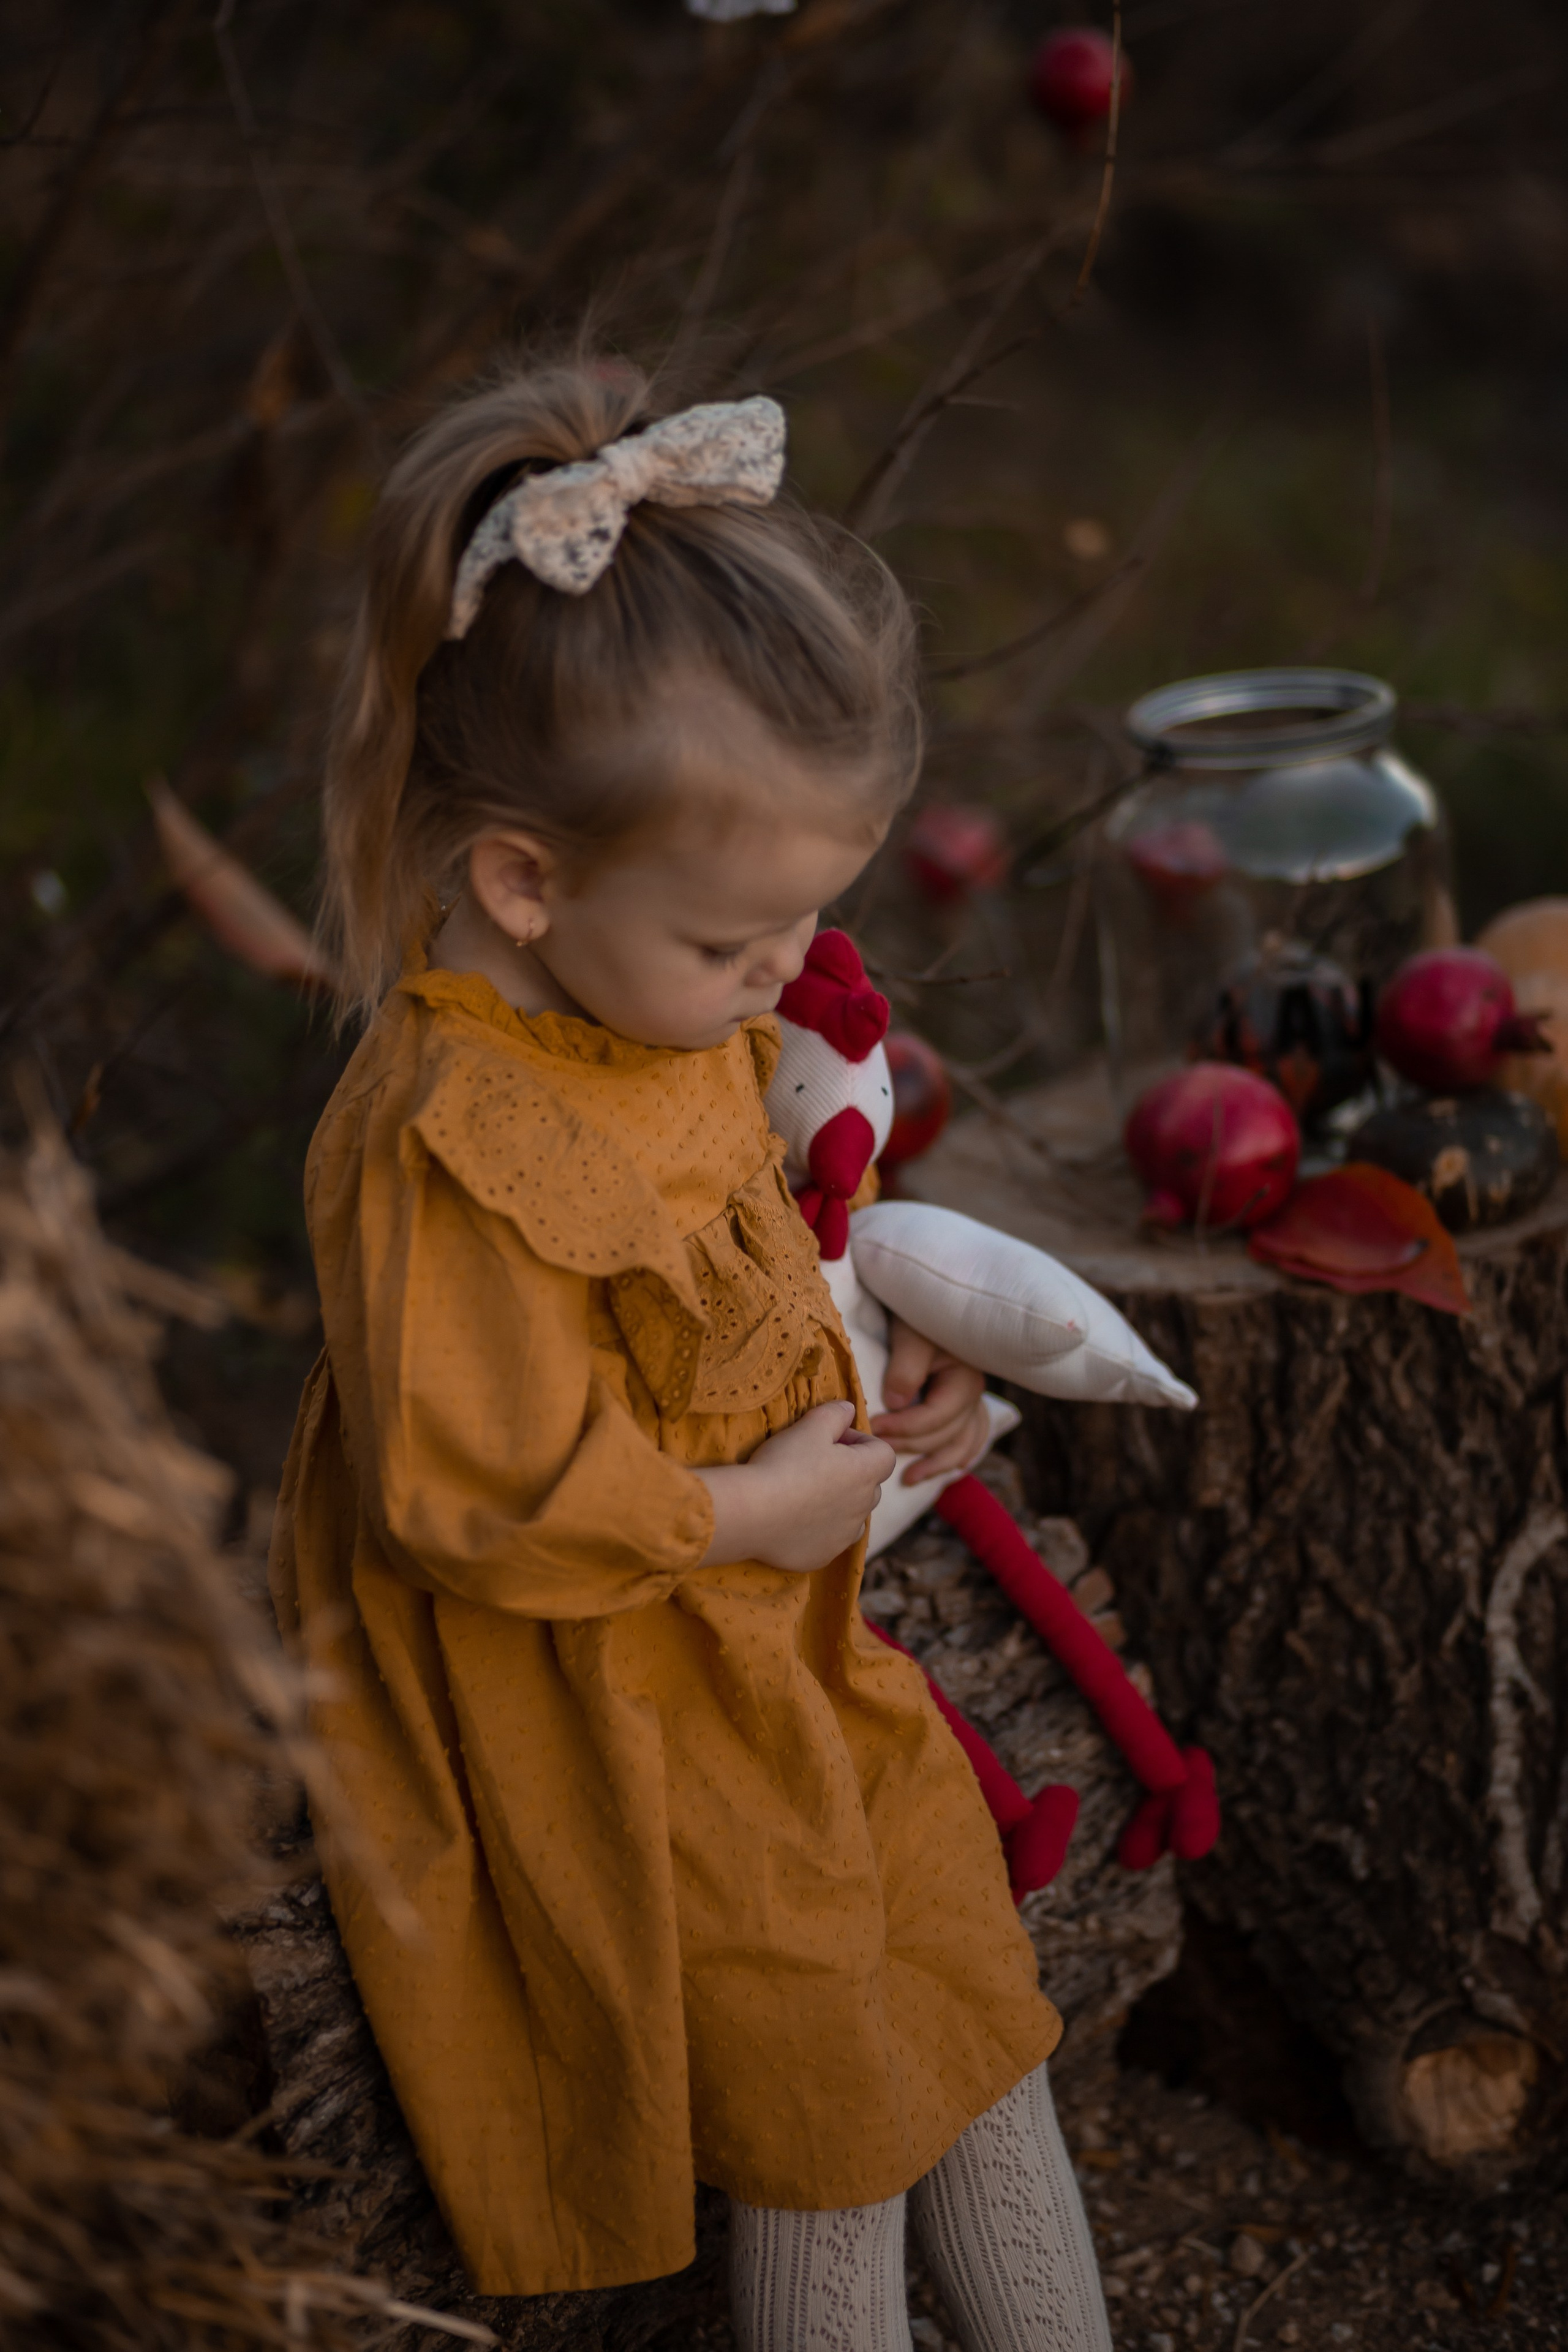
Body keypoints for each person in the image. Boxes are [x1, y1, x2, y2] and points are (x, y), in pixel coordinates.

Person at [270, 354, 1112, 2352]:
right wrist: (749, 1508)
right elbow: (468, 1495)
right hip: (612, 1667)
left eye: (799, 930)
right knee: (828, 2098)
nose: (781, 986)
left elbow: (753, 1257)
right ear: (523, 882)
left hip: (775, 1626)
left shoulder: (655, 1000)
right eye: (742, 945)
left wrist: (900, 1365)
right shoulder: (453, 1133)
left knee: (969, 2005)